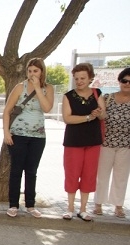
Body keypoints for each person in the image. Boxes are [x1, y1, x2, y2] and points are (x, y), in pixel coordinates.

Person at [2, 58, 55, 218]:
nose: (32, 74)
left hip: (38, 136)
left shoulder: (48, 88)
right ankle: (13, 205)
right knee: (16, 170)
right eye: (30, 71)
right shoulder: (20, 87)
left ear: (42, 72)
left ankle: (30, 204)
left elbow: (47, 108)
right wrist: (6, 132)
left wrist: (38, 88)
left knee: (31, 171)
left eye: (36, 71)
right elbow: (7, 111)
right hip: (18, 134)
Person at [61, 62, 106, 221]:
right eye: (77, 78)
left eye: (83, 78)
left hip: (93, 141)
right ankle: (70, 208)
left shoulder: (97, 93)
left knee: (89, 174)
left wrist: (98, 112)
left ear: (90, 78)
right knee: (72, 174)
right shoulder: (68, 96)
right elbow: (67, 118)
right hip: (73, 141)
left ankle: (83, 209)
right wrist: (87, 117)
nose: (79, 81)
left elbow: (103, 116)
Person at [93, 67, 130, 219]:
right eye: (124, 80)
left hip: (126, 145)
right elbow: (101, 116)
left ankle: (118, 206)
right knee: (102, 175)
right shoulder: (108, 98)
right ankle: (98, 204)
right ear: (119, 81)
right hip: (106, 143)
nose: (127, 84)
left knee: (121, 176)